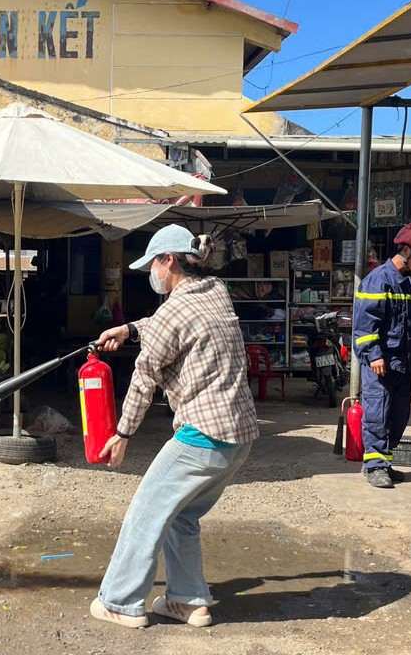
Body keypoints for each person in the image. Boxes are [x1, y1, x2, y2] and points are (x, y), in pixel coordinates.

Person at [88, 224, 259, 630]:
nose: (151, 273)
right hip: (239, 438)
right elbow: (173, 323)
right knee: (180, 516)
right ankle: (187, 601)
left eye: (152, 264)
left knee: (146, 514)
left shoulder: (173, 311)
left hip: (202, 434)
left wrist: (123, 433)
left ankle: (120, 601)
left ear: (168, 260)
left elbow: (144, 377)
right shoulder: (215, 291)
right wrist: (130, 329)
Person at [352, 222, 411, 489]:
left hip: (402, 364)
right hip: (380, 363)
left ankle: (385, 462)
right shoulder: (378, 279)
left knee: (398, 415)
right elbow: (364, 324)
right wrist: (374, 354)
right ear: (406, 250)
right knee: (378, 413)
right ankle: (375, 466)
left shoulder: (407, 284)